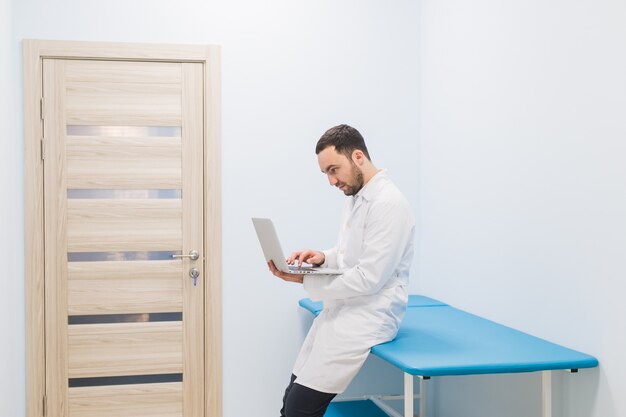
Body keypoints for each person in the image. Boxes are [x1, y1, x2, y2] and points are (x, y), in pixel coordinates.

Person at [268, 124, 415, 417]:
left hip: (370, 315)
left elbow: (369, 278)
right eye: (326, 173)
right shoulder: (359, 196)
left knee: (299, 410)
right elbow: (351, 255)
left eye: (334, 170)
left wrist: (302, 280)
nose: (331, 181)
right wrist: (322, 258)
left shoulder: (388, 204)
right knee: (290, 400)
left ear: (358, 156)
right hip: (343, 311)